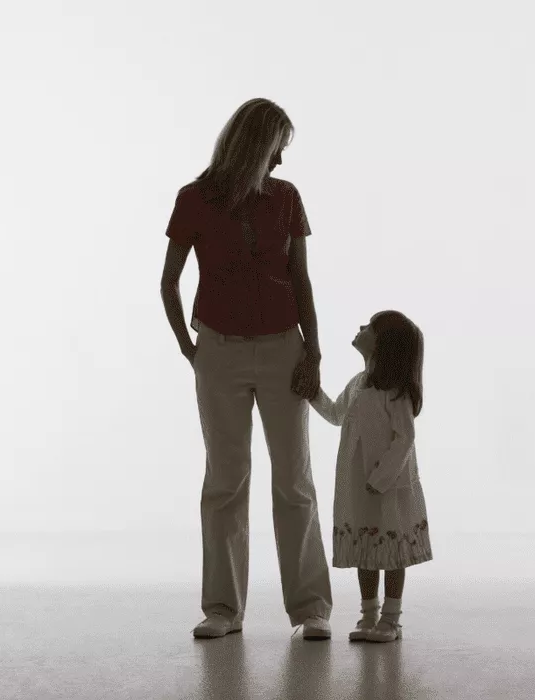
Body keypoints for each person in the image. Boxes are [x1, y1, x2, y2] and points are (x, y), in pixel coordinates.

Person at [160, 98, 333, 641]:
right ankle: (222, 610)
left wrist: (315, 352)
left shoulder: (286, 198)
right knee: (225, 481)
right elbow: (169, 281)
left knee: (295, 481)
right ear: (259, 144)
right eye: (278, 147)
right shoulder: (194, 198)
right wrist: (190, 347)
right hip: (218, 351)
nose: (282, 160)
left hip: (284, 348)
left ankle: (311, 609)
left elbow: (301, 280)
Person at [297, 310, 431, 643]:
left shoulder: (396, 391)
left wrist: (382, 477)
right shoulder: (358, 383)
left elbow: (405, 437)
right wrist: (311, 392)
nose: (360, 328)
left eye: (370, 326)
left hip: (388, 486)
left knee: (392, 548)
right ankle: (368, 615)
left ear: (385, 342)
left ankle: (391, 619)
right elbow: (335, 413)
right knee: (366, 547)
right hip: (358, 483)